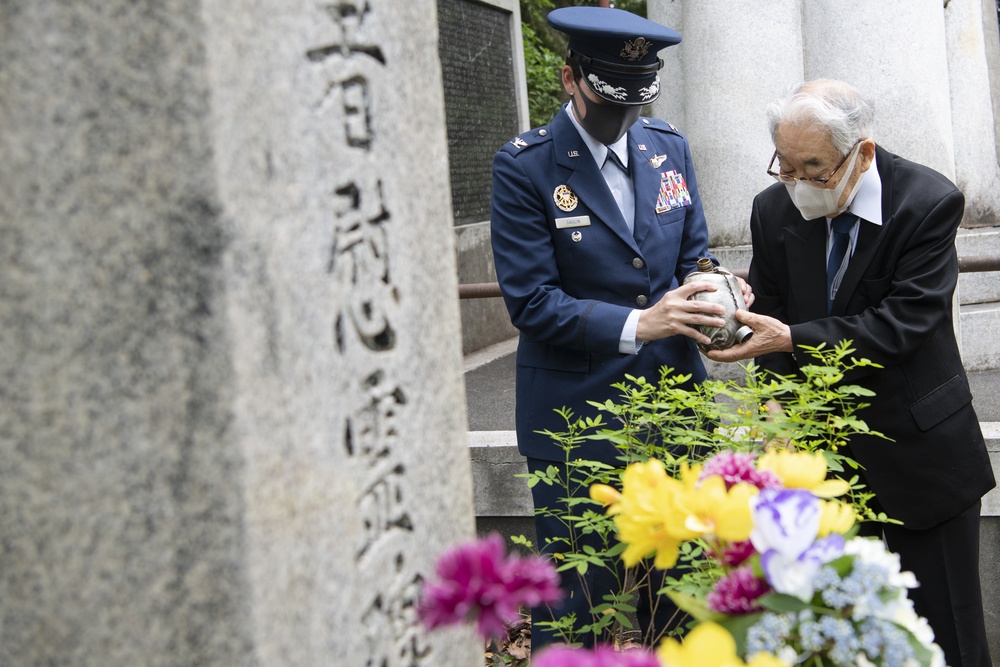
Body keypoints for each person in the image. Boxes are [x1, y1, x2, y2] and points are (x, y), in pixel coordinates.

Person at [706, 79, 995, 667]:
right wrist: (774, 404)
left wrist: (791, 338)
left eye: (813, 168)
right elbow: (775, 314)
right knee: (837, 630)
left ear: (861, 153)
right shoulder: (773, 206)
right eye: (784, 166)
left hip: (920, 448)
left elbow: (904, 324)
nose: (797, 183)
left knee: (948, 630)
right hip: (822, 455)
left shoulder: (927, 201)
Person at [490, 6, 752, 650]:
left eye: (636, 102)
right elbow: (531, 302)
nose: (624, 118)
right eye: (611, 99)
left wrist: (717, 290)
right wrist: (644, 320)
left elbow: (693, 252)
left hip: (674, 409)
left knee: (686, 598)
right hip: (577, 421)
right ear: (570, 78)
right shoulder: (526, 168)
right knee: (577, 606)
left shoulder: (668, 148)